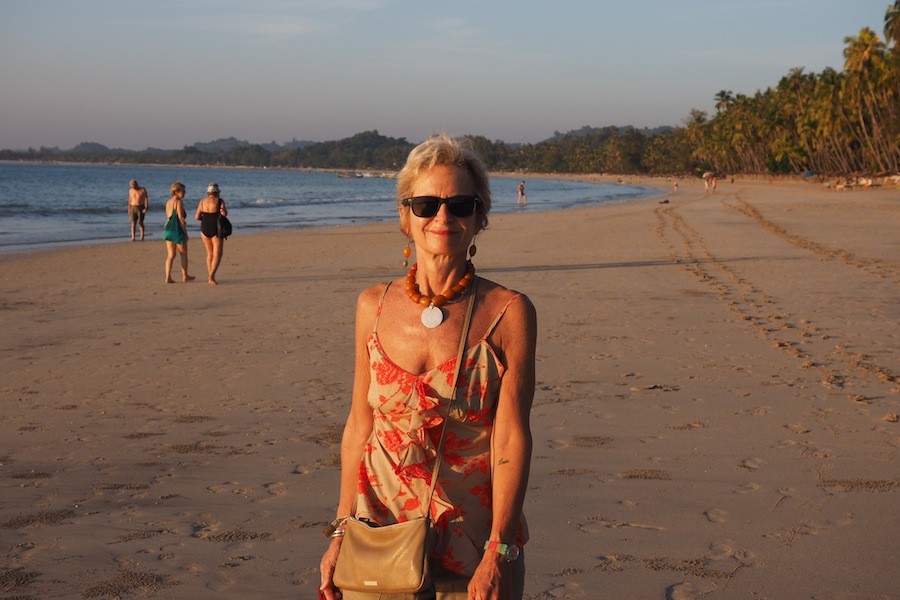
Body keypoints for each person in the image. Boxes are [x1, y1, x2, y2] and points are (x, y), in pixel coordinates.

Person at [319, 135, 537, 600]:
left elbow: (510, 439)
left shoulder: (509, 313)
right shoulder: (372, 306)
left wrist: (499, 550)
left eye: (460, 205)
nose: (443, 217)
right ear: (405, 217)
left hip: (474, 548)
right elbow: (359, 425)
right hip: (378, 538)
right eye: (425, 205)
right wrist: (341, 529)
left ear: (479, 218)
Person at [195, 182, 227, 285]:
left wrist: (205, 218)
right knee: (217, 253)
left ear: (208, 192)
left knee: (209, 253)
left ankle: (210, 275)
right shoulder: (220, 201)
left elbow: (197, 217)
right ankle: (212, 275)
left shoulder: (202, 201)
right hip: (216, 228)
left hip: (204, 227)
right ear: (217, 192)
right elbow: (224, 214)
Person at [163, 182, 195, 284]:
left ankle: (168, 277)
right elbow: (181, 218)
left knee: (171, 255)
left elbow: (169, 217)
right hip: (177, 230)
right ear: (176, 191)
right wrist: (185, 233)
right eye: (183, 191)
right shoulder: (179, 202)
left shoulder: (168, 202)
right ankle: (185, 276)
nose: (184, 193)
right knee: (183, 253)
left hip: (168, 229)